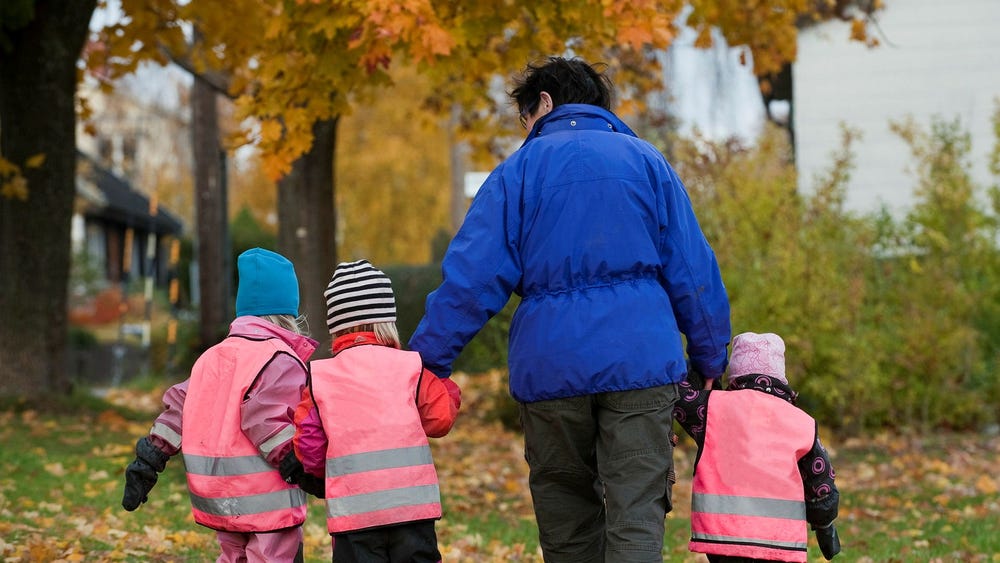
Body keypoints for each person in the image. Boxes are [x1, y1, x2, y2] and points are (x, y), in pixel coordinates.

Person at [407, 56, 732, 562]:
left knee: (567, 519)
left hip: (550, 369)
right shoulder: (648, 163)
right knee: (636, 516)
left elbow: (471, 281)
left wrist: (426, 362)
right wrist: (711, 358)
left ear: (545, 103)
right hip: (642, 364)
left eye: (524, 119)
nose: (526, 132)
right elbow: (693, 270)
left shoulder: (516, 174)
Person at [121, 247, 323, 563]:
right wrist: (301, 467)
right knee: (271, 556)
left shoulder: (212, 357)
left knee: (233, 556)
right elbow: (269, 420)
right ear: (287, 311)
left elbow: (178, 410)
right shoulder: (279, 359)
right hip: (266, 495)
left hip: (216, 494)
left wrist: (150, 457)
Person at [292, 259, 461, 563]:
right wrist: (445, 384)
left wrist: (323, 474)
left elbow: (308, 443)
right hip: (413, 509)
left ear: (335, 325)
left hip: (354, 514)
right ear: (388, 320)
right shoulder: (410, 366)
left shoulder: (321, 377)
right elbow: (440, 419)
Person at [673, 332, 842, 562]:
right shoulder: (802, 422)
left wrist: (702, 367)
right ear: (780, 375)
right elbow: (820, 481)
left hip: (723, 535)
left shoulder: (713, 408)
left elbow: (678, 395)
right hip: (780, 538)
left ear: (735, 373)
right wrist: (825, 523)